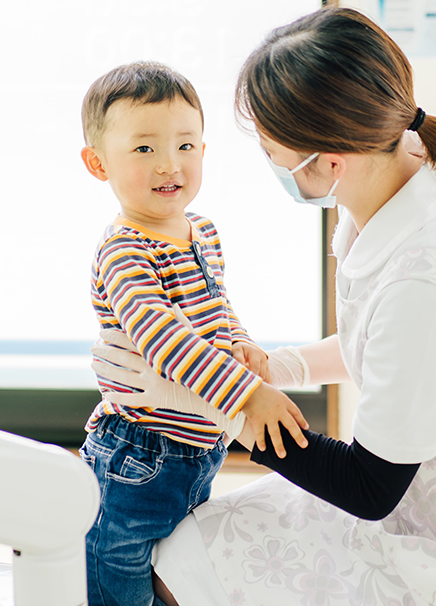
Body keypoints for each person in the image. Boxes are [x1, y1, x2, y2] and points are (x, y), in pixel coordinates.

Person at [90, 8, 436, 606]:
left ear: (328, 161)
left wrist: (225, 406)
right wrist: (276, 370)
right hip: (409, 476)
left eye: (272, 148)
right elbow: (385, 346)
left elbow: (368, 487)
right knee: (164, 557)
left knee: (179, 570)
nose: (267, 160)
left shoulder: (433, 278)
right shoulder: (396, 173)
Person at [78, 61, 310, 606]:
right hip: (138, 455)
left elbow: (216, 308)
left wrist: (243, 344)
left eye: (185, 145)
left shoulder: (199, 230)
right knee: (118, 573)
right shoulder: (125, 250)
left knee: (179, 572)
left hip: (200, 444)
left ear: (204, 151)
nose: (169, 164)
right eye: (143, 149)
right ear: (97, 163)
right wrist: (251, 396)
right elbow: (169, 342)